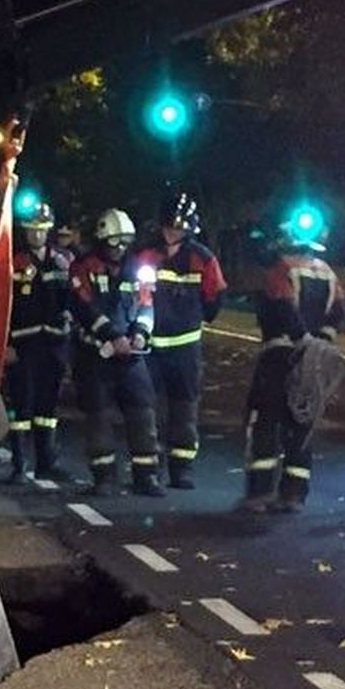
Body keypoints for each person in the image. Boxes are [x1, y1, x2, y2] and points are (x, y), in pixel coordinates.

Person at [241, 213, 345, 513]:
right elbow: (338, 310)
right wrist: (322, 341)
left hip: (279, 357)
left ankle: (260, 493)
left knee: (265, 424)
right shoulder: (327, 273)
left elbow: (282, 308)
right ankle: (294, 494)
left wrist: (301, 339)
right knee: (301, 426)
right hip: (310, 363)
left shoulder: (281, 269)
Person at [133, 190, 226, 489]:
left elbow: (215, 297)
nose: (174, 232)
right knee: (145, 407)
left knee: (184, 408)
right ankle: (146, 469)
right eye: (170, 226)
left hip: (185, 348)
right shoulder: (145, 255)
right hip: (149, 346)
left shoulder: (202, 258)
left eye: (180, 227)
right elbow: (131, 293)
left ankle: (181, 468)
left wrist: (194, 318)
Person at [69, 208, 165, 497]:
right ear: (102, 240)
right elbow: (84, 306)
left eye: (125, 242)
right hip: (96, 354)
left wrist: (140, 333)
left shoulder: (139, 268)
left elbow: (146, 304)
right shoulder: (83, 267)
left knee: (142, 412)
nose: (120, 248)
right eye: (115, 242)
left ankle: (146, 476)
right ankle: (104, 477)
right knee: (98, 415)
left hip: (131, 356)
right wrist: (112, 335)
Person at [3, 201, 74, 483]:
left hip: (54, 343)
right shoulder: (14, 261)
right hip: (23, 344)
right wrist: (6, 343)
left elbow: (72, 295)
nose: (37, 235)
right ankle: (19, 465)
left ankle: (47, 461)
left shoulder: (63, 260)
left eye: (42, 230)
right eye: (32, 230)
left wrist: (69, 318)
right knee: (22, 405)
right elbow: (4, 305)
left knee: (48, 407)